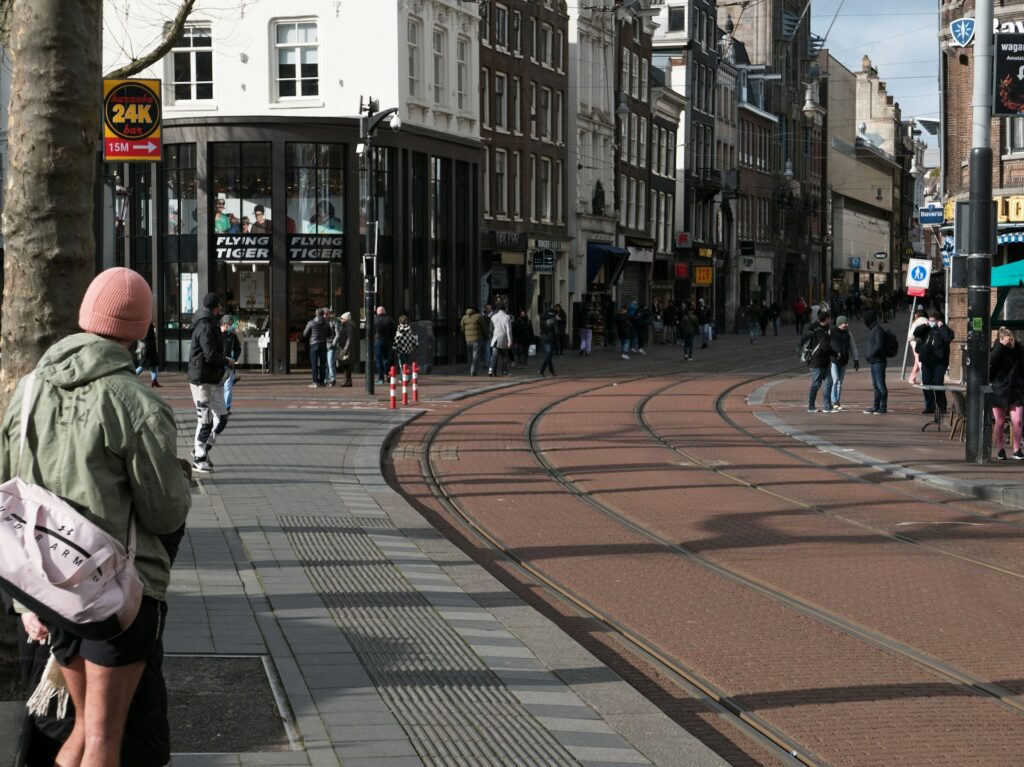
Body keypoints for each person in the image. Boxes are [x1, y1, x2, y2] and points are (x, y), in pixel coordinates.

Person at [0, 267, 192, 767]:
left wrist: (24, 603)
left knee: (83, 730)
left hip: (46, 587)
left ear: (85, 316)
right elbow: (164, 511)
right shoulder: (137, 403)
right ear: (141, 329)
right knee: (105, 739)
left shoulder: (28, 389)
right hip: (113, 597)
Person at [189, 292, 234, 472]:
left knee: (221, 418)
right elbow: (210, 355)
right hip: (203, 380)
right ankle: (199, 458)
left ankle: (202, 449)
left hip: (211, 379)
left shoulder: (209, 324)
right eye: (219, 306)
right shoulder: (206, 326)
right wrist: (227, 361)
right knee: (205, 420)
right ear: (216, 307)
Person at [990, 327, 1024, 460]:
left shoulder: (1019, 350)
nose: (1010, 342)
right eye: (1007, 340)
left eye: (1011, 339)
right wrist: (1000, 347)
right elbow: (991, 361)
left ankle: (1016, 449)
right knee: (999, 421)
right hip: (1000, 389)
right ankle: (1000, 449)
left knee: (1018, 420)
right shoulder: (997, 349)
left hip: (1016, 390)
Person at [913, 309, 955, 415]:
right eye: (930, 320)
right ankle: (929, 406)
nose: (931, 322)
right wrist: (925, 325)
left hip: (940, 362)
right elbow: (916, 333)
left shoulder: (943, 329)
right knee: (926, 383)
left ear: (938, 320)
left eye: (933, 320)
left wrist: (942, 326)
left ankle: (942, 406)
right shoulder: (926, 329)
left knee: (938, 383)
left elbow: (949, 337)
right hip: (926, 361)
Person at [801, 310, 834, 412]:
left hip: (825, 362)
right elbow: (825, 346)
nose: (831, 320)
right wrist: (836, 354)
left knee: (829, 382)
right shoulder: (819, 331)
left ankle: (827, 406)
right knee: (816, 384)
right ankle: (811, 406)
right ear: (827, 319)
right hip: (816, 362)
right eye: (830, 318)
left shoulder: (826, 329)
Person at [828, 315, 859, 411]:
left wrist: (856, 360)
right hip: (833, 361)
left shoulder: (848, 334)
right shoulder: (831, 332)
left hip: (844, 361)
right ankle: (834, 401)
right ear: (839, 324)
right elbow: (825, 344)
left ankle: (837, 401)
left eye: (847, 323)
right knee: (836, 380)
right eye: (845, 323)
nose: (847, 325)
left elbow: (853, 347)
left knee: (840, 382)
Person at [863, 309, 888, 415]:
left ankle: (882, 407)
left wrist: (870, 354)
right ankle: (876, 406)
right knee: (876, 385)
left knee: (880, 385)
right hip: (874, 361)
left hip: (878, 361)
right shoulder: (873, 329)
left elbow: (879, 345)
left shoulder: (877, 330)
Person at [303, 307, 332, 388]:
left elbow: (305, 334)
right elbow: (330, 334)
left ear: (316, 314)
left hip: (314, 344)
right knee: (323, 364)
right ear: (323, 314)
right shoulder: (326, 323)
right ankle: (322, 382)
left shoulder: (311, 323)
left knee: (314, 364)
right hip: (323, 344)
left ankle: (315, 382)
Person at [221, 314, 241, 411]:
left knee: (228, 386)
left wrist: (234, 358)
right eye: (230, 324)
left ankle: (227, 407)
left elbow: (238, 348)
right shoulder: (216, 334)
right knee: (218, 386)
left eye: (232, 324)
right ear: (224, 324)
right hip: (218, 363)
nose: (232, 326)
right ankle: (218, 407)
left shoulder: (232, 336)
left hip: (229, 363)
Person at [488, 300, 513, 376]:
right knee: (504, 356)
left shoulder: (493, 317)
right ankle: (504, 370)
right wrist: (510, 341)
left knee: (494, 356)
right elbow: (509, 330)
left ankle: (490, 369)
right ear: (505, 309)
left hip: (495, 339)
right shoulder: (507, 317)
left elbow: (491, 330)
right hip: (504, 339)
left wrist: (491, 339)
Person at [905, 306, 928, 384]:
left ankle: (921, 379)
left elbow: (911, 335)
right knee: (918, 361)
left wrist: (910, 340)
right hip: (924, 343)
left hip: (915, 343)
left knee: (919, 361)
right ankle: (912, 378)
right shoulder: (927, 321)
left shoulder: (916, 322)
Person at [461, 306, 486, 375]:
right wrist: (486, 336)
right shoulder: (479, 316)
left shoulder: (464, 317)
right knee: (476, 355)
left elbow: (462, 329)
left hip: (468, 339)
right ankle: (473, 370)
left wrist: (466, 334)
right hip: (477, 338)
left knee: (469, 355)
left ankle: (471, 368)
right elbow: (484, 328)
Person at [134, 322, 161, 388]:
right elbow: (146, 337)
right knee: (142, 365)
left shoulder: (146, 324)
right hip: (148, 349)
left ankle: (154, 381)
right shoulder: (146, 325)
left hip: (151, 349)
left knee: (154, 365)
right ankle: (131, 376)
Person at [373, 306, 396, 384]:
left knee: (379, 360)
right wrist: (391, 340)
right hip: (388, 341)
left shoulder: (375, 320)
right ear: (384, 312)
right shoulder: (390, 319)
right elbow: (393, 332)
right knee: (387, 359)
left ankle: (381, 378)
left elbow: (372, 331)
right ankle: (389, 376)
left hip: (377, 341)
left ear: (377, 312)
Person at [335, 311, 355, 387]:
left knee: (347, 365)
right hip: (344, 347)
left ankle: (348, 380)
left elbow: (349, 339)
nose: (341, 320)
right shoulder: (346, 325)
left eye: (342, 318)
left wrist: (345, 350)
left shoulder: (349, 326)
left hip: (346, 348)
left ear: (346, 319)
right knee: (345, 365)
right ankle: (347, 380)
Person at [538, 307, 558, 376]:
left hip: (544, 338)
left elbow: (541, 329)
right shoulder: (554, 319)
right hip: (551, 339)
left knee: (548, 355)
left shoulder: (542, 319)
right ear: (553, 312)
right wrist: (557, 340)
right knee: (549, 355)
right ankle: (541, 370)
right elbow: (556, 332)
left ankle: (552, 372)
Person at [325, 308, 340, 386]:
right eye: (324, 314)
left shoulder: (334, 321)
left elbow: (338, 334)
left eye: (327, 314)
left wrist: (333, 343)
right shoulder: (321, 321)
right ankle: (324, 378)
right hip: (323, 344)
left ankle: (332, 379)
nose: (325, 315)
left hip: (331, 345)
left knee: (330, 362)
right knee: (324, 363)